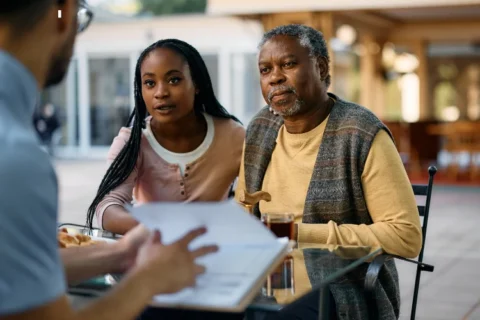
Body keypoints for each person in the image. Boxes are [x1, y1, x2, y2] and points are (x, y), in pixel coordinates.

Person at [0, 1, 218, 319]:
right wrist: (147, 282)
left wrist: (122, 252)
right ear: (62, 13)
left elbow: (17, 267)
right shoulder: (17, 159)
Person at [235, 24, 423, 319]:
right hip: (266, 278)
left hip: (340, 288)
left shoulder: (359, 132)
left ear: (321, 67)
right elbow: (243, 208)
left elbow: (406, 236)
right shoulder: (260, 128)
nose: (275, 77)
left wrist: (297, 233)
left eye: (288, 64)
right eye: (265, 69)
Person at [86, 39, 245, 235]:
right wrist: (159, 230)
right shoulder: (132, 142)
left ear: (196, 84)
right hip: (150, 254)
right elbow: (107, 208)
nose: (160, 93)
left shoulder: (233, 135)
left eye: (174, 80)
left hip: (216, 255)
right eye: (150, 83)